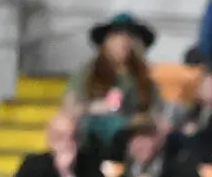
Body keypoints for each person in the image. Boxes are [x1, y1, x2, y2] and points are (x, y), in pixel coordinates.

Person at [69, 14, 161, 157]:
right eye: (116, 36)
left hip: (133, 144)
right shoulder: (88, 75)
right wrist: (93, 107)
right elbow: (70, 109)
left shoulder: (145, 81)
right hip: (91, 145)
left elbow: (155, 114)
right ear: (106, 42)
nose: (123, 42)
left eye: (129, 37)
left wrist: (138, 121)